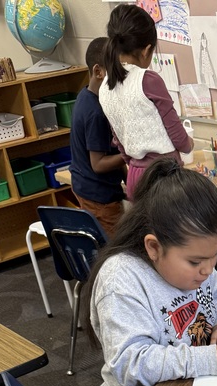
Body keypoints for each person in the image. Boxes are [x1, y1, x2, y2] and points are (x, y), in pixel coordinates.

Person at [89, 160, 217, 386]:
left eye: (215, 255)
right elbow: (131, 362)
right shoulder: (121, 279)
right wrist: (212, 359)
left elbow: (215, 295)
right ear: (153, 247)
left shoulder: (201, 265)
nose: (209, 269)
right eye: (196, 261)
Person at [99, 4, 192, 197]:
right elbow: (177, 135)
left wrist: (134, 163)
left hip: (136, 176)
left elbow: (119, 142)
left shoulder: (105, 85)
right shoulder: (148, 80)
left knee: (145, 228)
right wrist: (188, 144)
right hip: (163, 178)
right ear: (146, 50)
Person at [69, 37, 127, 237]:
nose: (122, 77)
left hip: (87, 187)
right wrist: (130, 154)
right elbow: (98, 163)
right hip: (99, 197)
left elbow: (110, 149)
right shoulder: (95, 112)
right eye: (117, 71)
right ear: (98, 72)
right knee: (117, 250)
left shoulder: (86, 96)